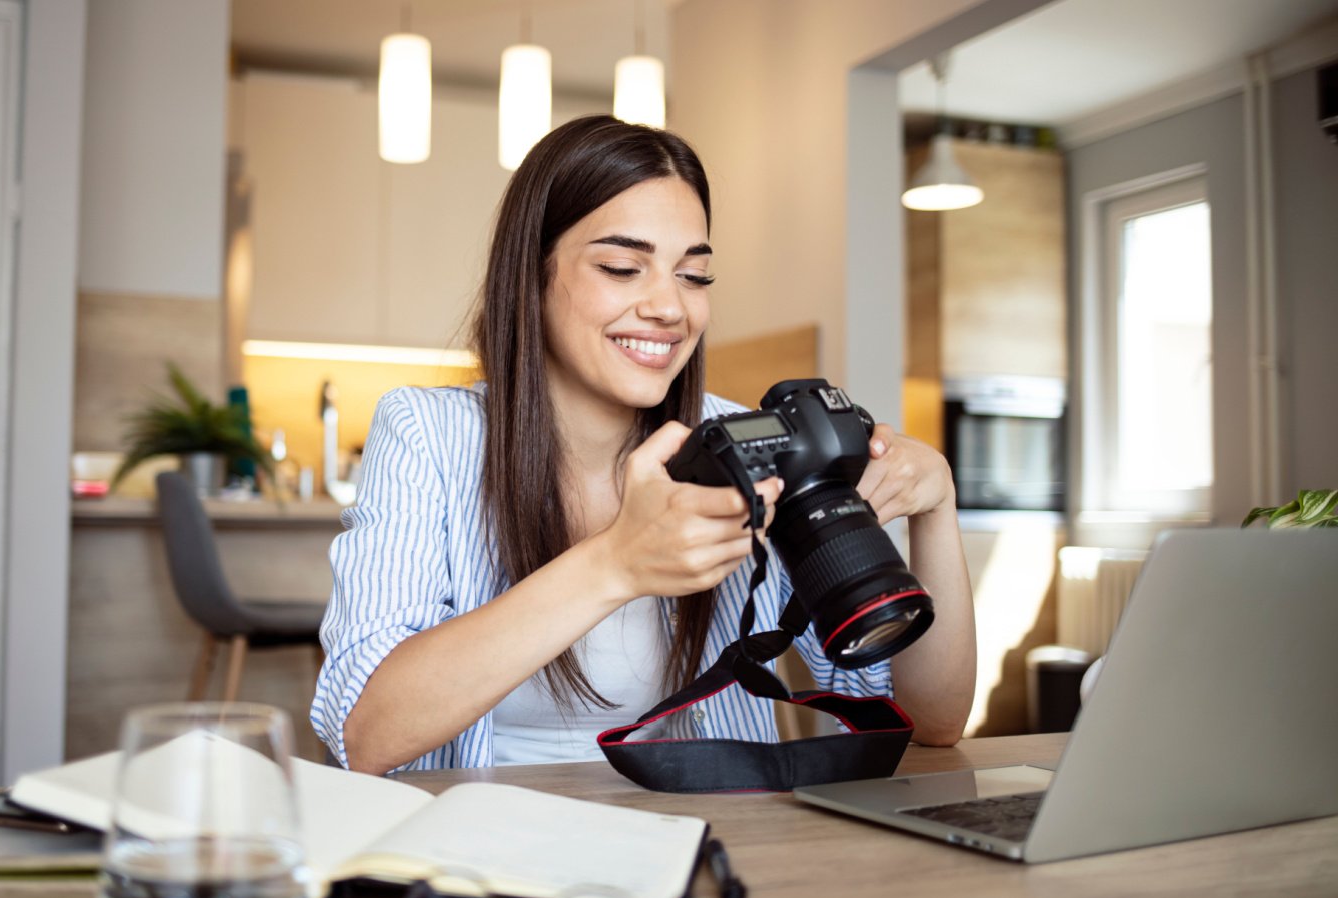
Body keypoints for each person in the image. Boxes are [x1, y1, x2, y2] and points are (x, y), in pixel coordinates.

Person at [311, 116, 976, 775]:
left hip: (705, 839)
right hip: (487, 844)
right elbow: (365, 731)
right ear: (531, 275)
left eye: (694, 275)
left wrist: (937, 507)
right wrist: (614, 564)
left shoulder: (751, 445)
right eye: (623, 267)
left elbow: (934, 723)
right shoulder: (430, 434)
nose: (670, 308)